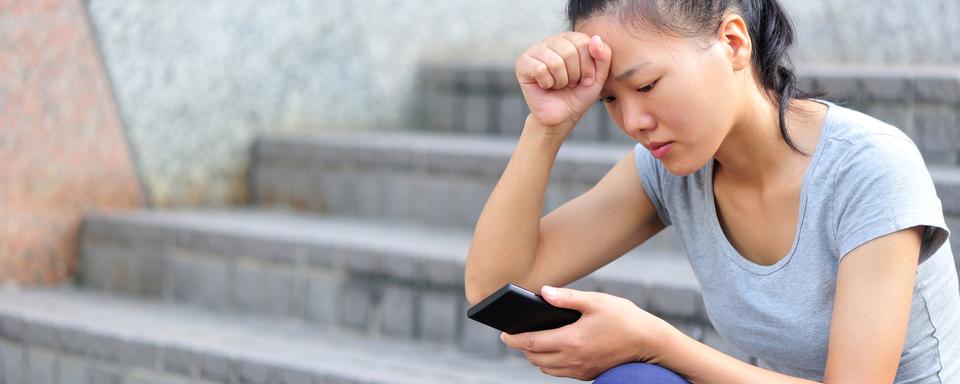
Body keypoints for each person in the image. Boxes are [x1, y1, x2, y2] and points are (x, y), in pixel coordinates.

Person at [463, 0, 960, 382]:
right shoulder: (670, 169)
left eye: (649, 85)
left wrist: (655, 342)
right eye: (609, 99)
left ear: (733, 42)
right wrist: (545, 127)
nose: (633, 121)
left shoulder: (869, 169)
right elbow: (493, 288)